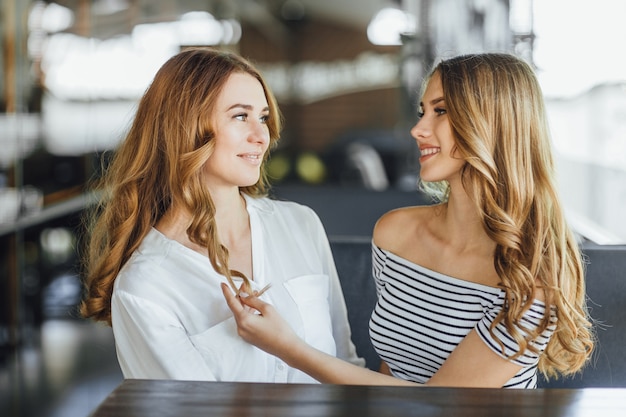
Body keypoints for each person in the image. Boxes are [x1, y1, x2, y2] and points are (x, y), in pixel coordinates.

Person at [222, 52, 595, 388]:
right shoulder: (395, 233)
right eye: (422, 112)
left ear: (492, 123)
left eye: (441, 111)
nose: (418, 129)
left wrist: (287, 347)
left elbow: (441, 404)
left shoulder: (534, 275)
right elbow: (392, 370)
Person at [79, 47, 364, 382]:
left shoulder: (300, 224)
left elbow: (347, 367)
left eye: (262, 117)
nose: (262, 137)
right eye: (241, 116)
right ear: (185, 127)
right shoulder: (145, 286)